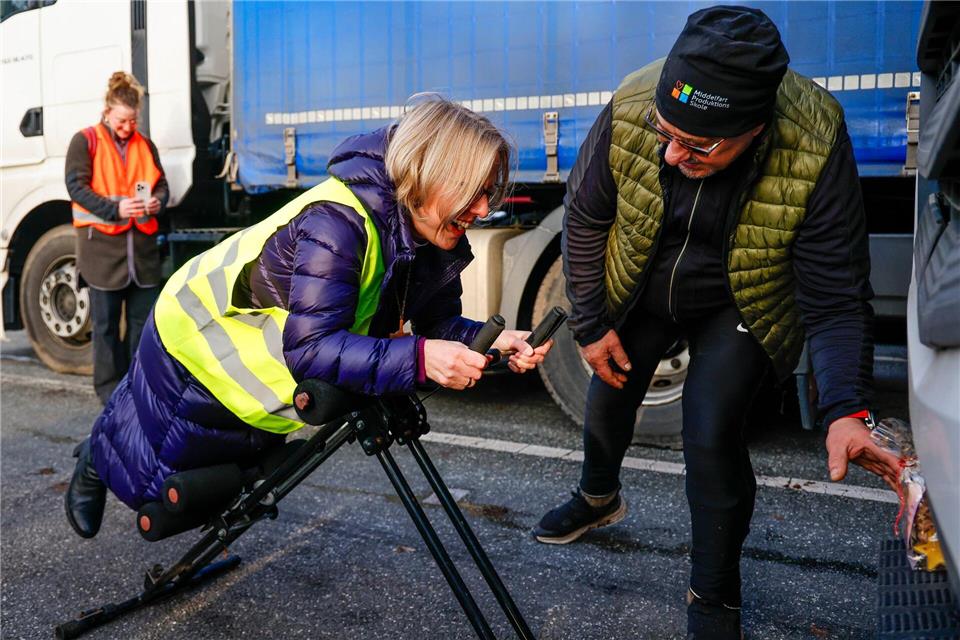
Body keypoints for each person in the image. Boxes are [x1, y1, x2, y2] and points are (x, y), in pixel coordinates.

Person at [532, 6, 901, 638]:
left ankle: (714, 595)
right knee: (609, 394)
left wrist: (849, 408)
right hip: (646, 279)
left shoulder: (813, 137)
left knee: (710, 431)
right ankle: (599, 498)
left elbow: (837, 293)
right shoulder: (631, 104)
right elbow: (586, 217)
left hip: (743, 297)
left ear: (755, 129)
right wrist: (590, 324)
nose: (674, 155)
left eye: (699, 145)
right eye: (665, 132)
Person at [64, 97, 552, 539]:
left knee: (190, 467)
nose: (485, 210)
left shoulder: (425, 228)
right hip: (199, 337)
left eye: (490, 193)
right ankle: (92, 463)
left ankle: (97, 455)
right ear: (430, 175)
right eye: (474, 192)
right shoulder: (338, 224)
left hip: (249, 368)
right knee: (152, 477)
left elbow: (437, 322)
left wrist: (494, 341)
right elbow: (312, 348)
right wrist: (422, 358)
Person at [65, 71, 168, 405]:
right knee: (106, 329)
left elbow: (162, 184)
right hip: (103, 254)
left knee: (143, 328)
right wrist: (116, 207)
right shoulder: (85, 141)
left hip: (142, 254)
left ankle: (137, 389)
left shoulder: (145, 144)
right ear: (107, 112)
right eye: (122, 120)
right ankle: (110, 395)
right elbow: (76, 187)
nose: (128, 127)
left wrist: (158, 202)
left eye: (133, 120)